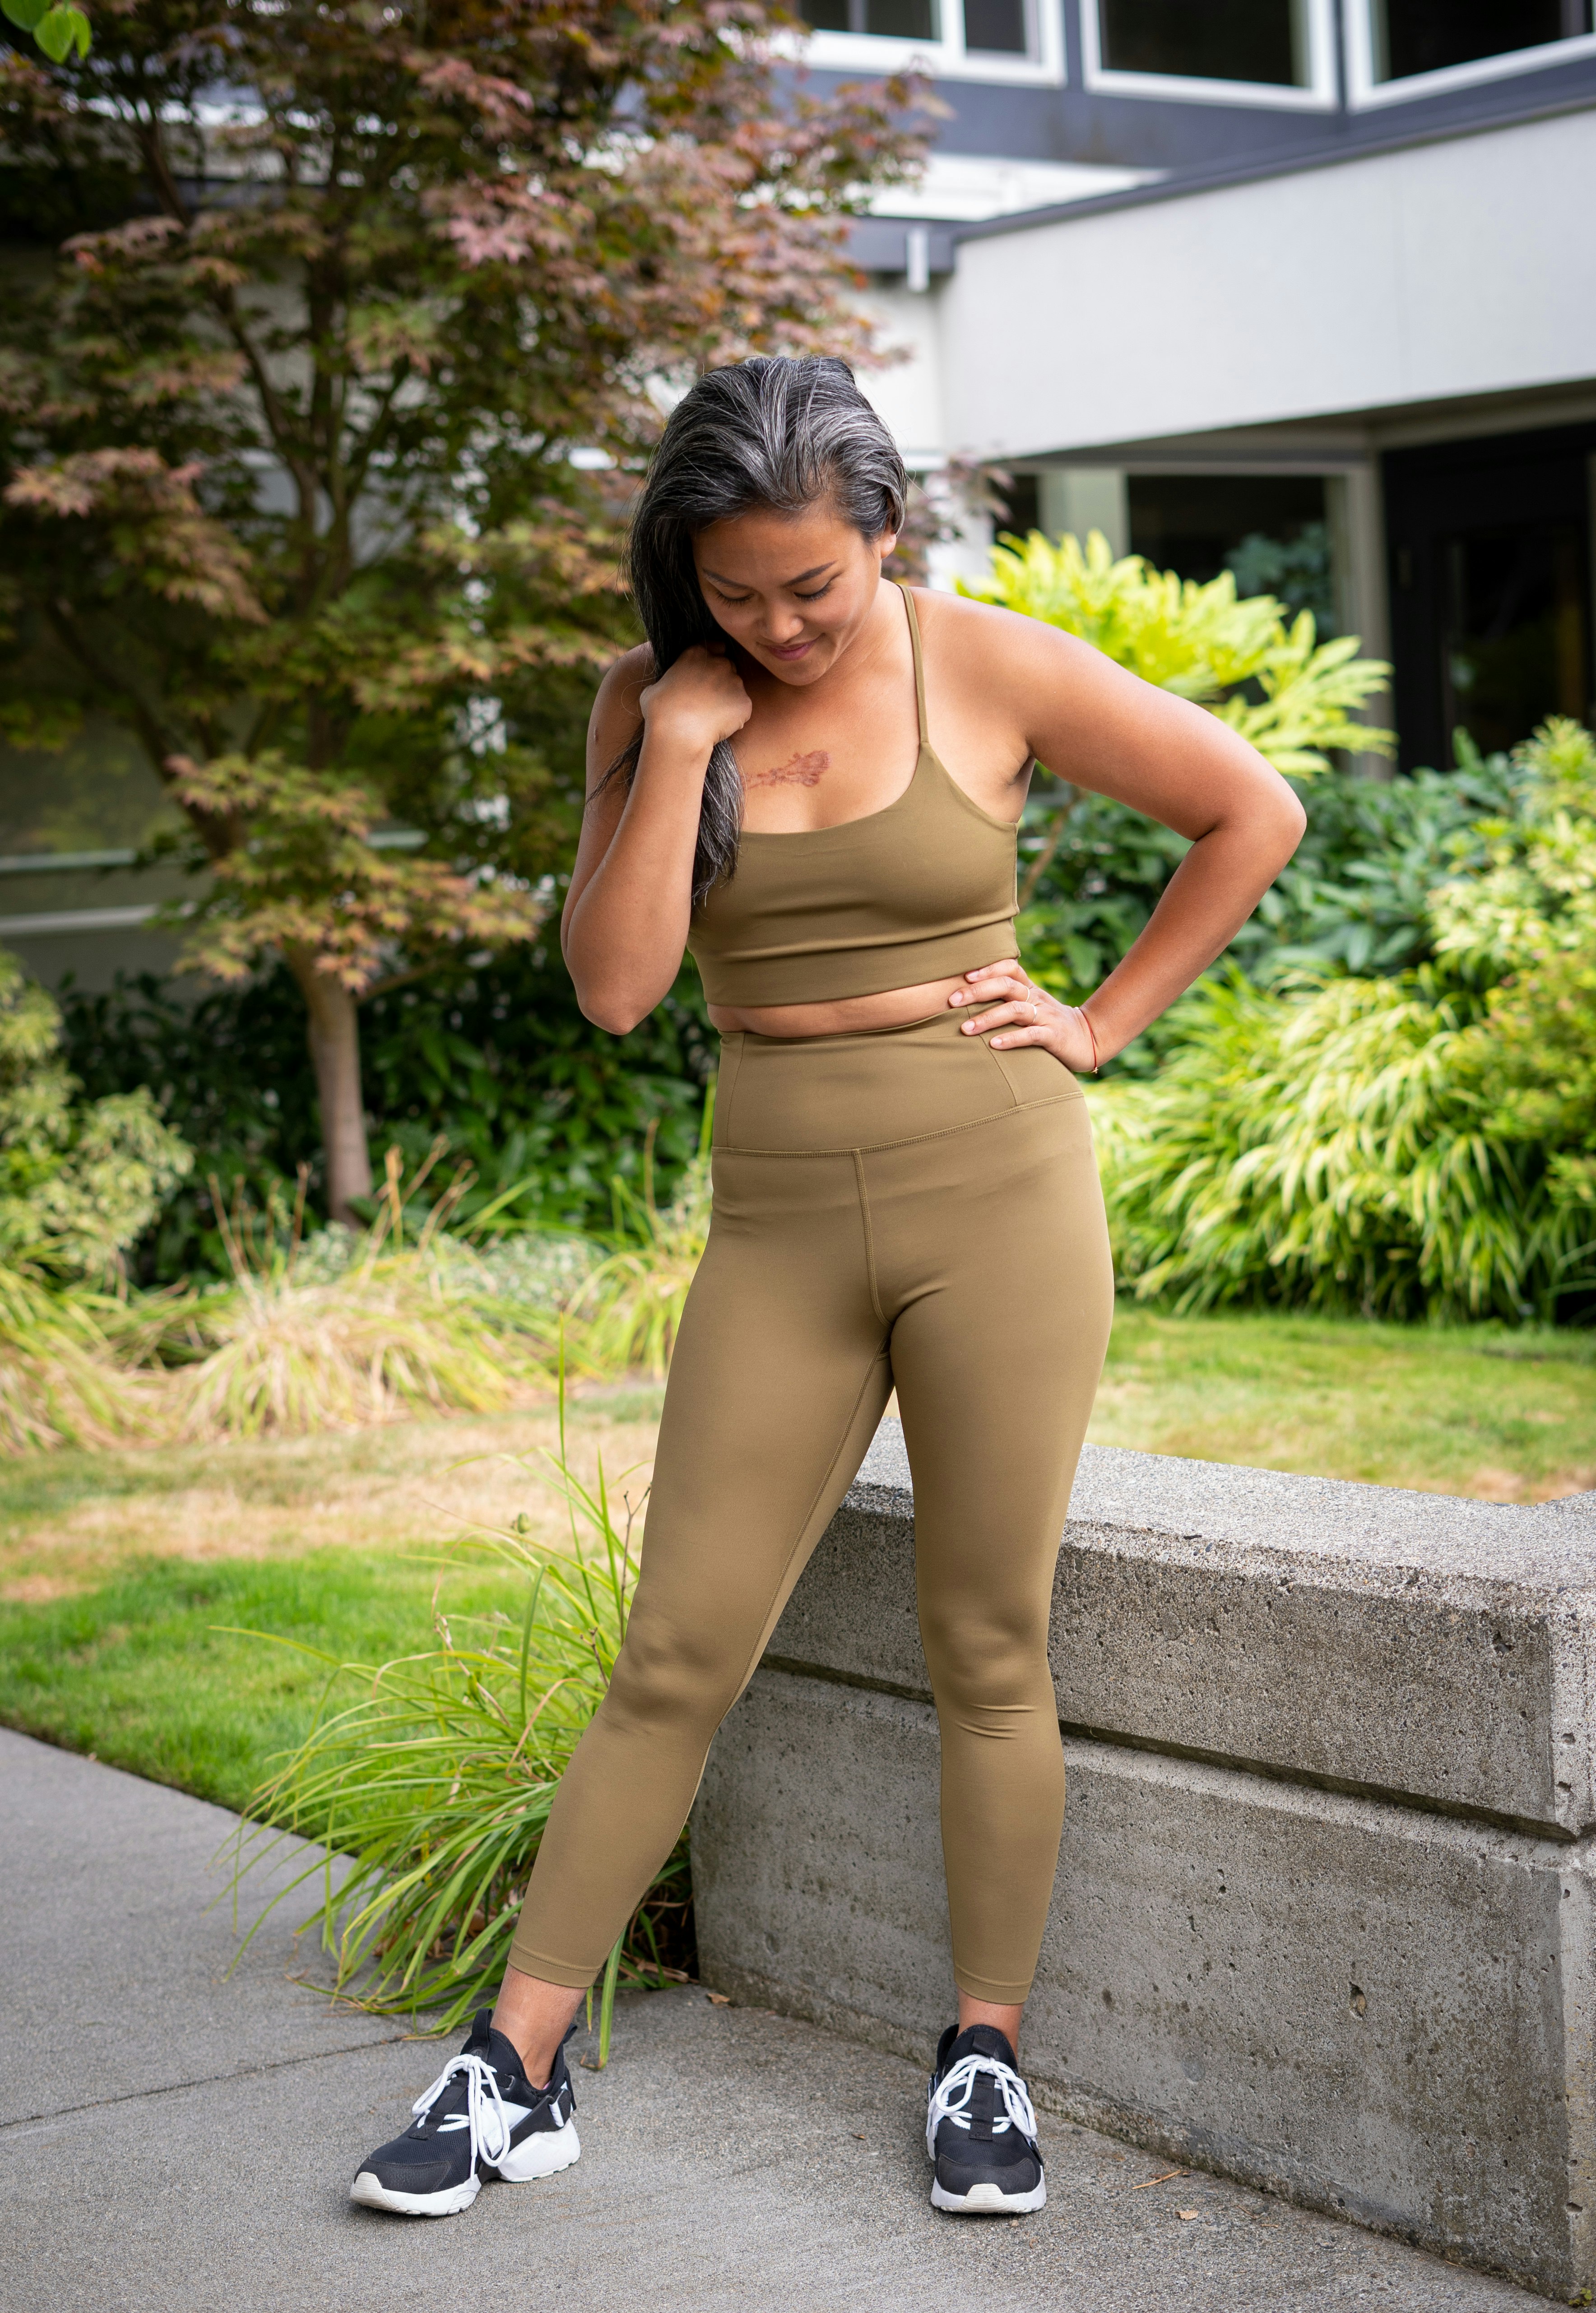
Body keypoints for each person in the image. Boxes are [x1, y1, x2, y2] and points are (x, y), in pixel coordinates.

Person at [351, 356, 1306, 2221]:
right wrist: (684, 742)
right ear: (679, 570)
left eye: (813, 585)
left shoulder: (988, 662)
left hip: (998, 1195)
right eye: (736, 593)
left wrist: (1099, 1020)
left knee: (987, 1643)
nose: (779, 625)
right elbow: (619, 987)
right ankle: (512, 2066)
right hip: (777, 1217)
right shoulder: (649, 698)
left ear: (882, 528)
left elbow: (1246, 809)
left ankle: (982, 2055)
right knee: (671, 1652)